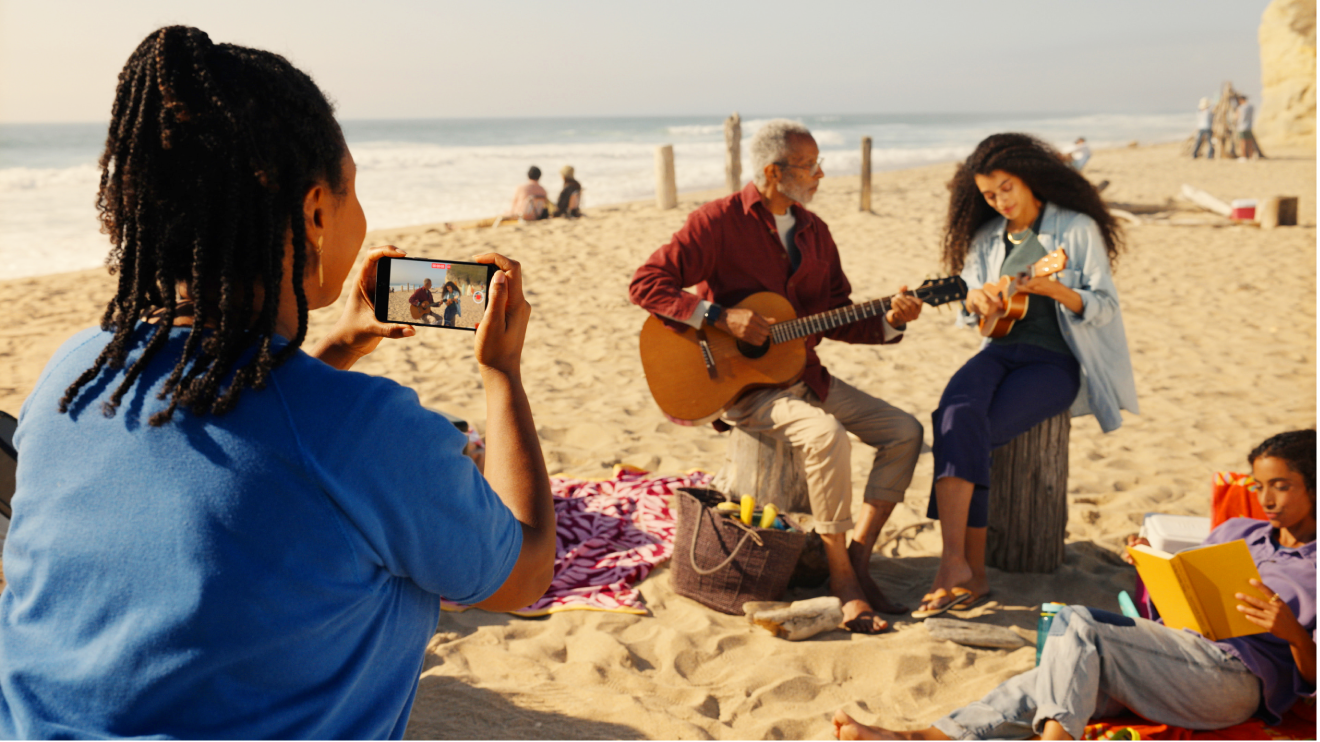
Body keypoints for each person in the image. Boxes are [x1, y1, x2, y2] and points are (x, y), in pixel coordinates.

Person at [0, 26, 555, 740]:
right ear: (318, 213)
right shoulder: (367, 429)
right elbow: (526, 573)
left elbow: (243, 435)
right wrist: (501, 374)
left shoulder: (75, 372)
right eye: (353, 190)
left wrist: (337, 345)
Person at [629, 119, 925, 633]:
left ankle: (857, 556)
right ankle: (842, 579)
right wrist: (719, 317)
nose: (821, 176)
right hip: (746, 390)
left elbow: (837, 314)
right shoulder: (717, 222)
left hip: (806, 376)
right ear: (773, 171)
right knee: (825, 435)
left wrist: (891, 321)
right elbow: (646, 283)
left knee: (905, 432)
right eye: (811, 167)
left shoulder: (815, 233)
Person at [833, 429, 1317, 741]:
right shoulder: (1238, 533)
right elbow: (1182, 603)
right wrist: (1154, 567)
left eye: (1281, 486)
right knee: (1050, 675)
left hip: (1234, 683)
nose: (1266, 499)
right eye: (1258, 486)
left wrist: (1292, 631)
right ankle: (918, 739)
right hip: (1180, 655)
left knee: (1076, 623)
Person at [916, 133, 1137, 616]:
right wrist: (974, 301)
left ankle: (964, 571)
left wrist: (1053, 289)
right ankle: (957, 564)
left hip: (1055, 361)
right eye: (990, 195)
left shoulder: (1075, 229)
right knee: (952, 415)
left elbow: (1103, 306)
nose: (1000, 201)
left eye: (1006, 188)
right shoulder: (985, 237)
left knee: (974, 434)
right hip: (999, 349)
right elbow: (975, 305)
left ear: (1029, 178)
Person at [1237, 94, 1264, 160]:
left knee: (1243, 142)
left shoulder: (1240, 108)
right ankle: (1251, 155)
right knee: (1249, 142)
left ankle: (1244, 156)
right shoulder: (1251, 107)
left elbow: (1237, 117)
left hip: (1242, 127)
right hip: (1249, 126)